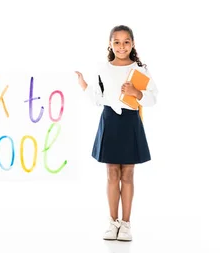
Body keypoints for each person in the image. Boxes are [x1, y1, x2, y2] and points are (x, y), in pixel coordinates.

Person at [75, 25, 158, 241]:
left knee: (128, 174)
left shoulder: (140, 69)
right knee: (112, 173)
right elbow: (97, 99)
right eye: (117, 42)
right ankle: (112, 223)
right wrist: (83, 84)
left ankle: (126, 224)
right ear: (110, 44)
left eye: (126, 42)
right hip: (110, 120)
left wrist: (135, 92)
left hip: (130, 122)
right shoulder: (103, 69)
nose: (122, 46)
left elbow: (152, 99)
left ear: (133, 44)